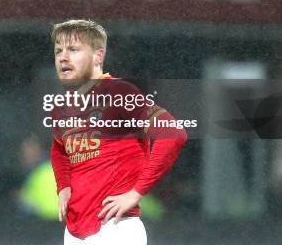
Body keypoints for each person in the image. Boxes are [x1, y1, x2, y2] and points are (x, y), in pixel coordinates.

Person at [48, 19, 187, 244]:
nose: (63, 57)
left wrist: (135, 193)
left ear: (98, 56)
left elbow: (172, 133)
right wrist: (63, 186)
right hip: (75, 231)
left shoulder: (119, 92)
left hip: (115, 228)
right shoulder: (61, 108)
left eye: (73, 49)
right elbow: (59, 148)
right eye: (58, 51)